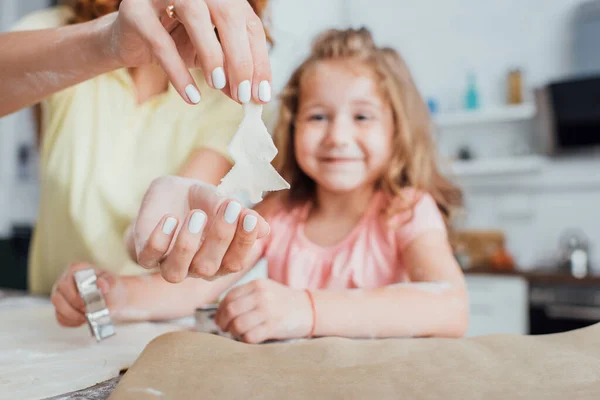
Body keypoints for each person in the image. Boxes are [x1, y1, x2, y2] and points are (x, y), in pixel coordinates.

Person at [53, 27, 469, 342]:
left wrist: (306, 309)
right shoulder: (281, 213)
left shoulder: (407, 210)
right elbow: (189, 293)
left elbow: (450, 305)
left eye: (362, 117)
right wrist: (113, 295)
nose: (338, 137)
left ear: (397, 130)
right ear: (291, 127)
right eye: (318, 116)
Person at [0, 0, 272, 312]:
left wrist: (154, 234)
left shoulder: (225, 92)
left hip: (145, 319)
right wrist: (108, 43)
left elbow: (162, 220)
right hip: (48, 313)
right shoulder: (60, 31)